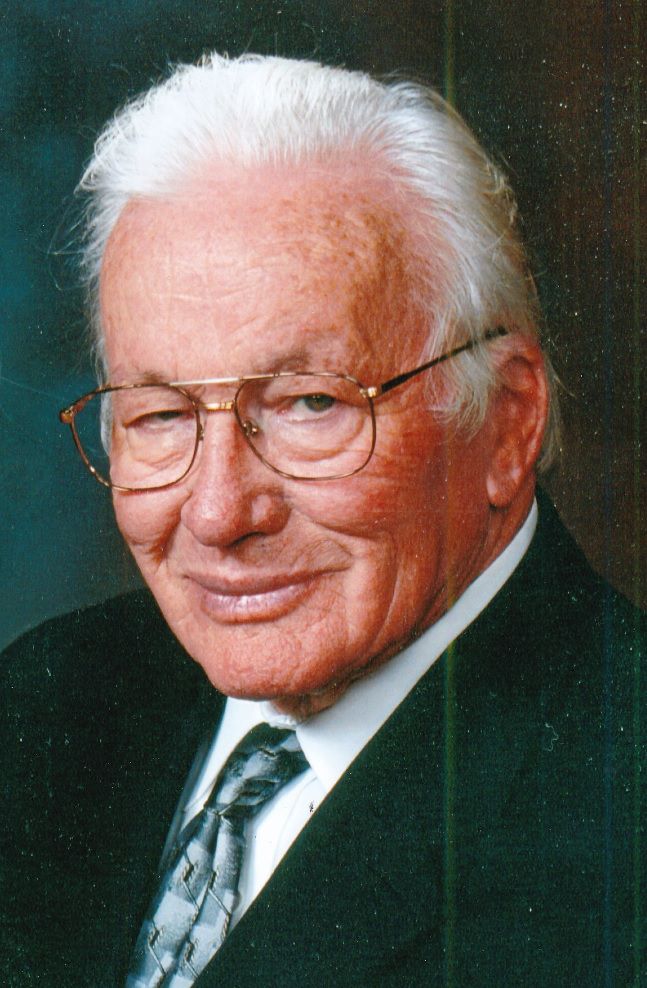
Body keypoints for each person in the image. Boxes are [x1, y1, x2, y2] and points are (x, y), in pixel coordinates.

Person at [0, 54, 642, 987]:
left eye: (310, 405)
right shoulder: (46, 702)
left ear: (507, 424)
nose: (218, 512)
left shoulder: (615, 820)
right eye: (160, 415)